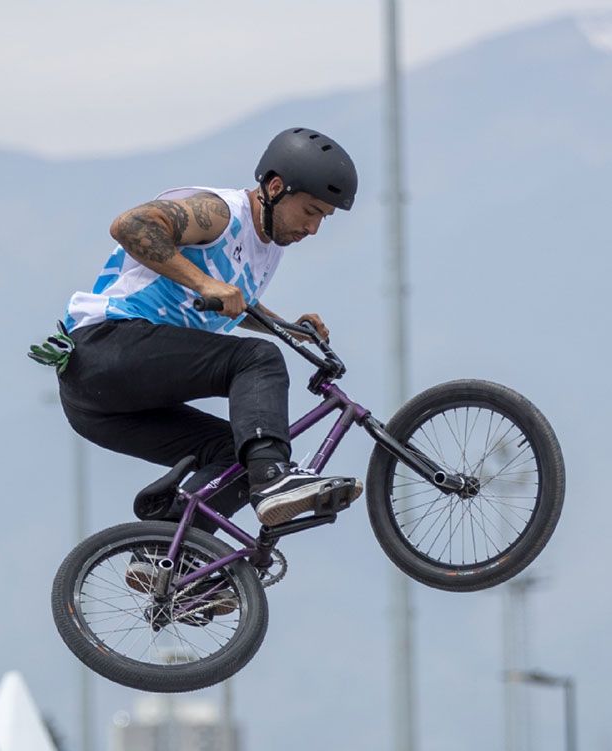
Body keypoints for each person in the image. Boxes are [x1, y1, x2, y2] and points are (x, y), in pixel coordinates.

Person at [32, 127, 363, 530]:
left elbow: (232, 303)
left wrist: (286, 328)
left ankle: (165, 559)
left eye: (323, 219)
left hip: (100, 409)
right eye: (311, 211)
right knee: (256, 363)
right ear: (276, 187)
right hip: (104, 348)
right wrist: (205, 283)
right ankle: (275, 480)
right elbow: (130, 225)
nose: (313, 229)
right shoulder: (222, 213)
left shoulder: (269, 249)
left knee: (238, 455)